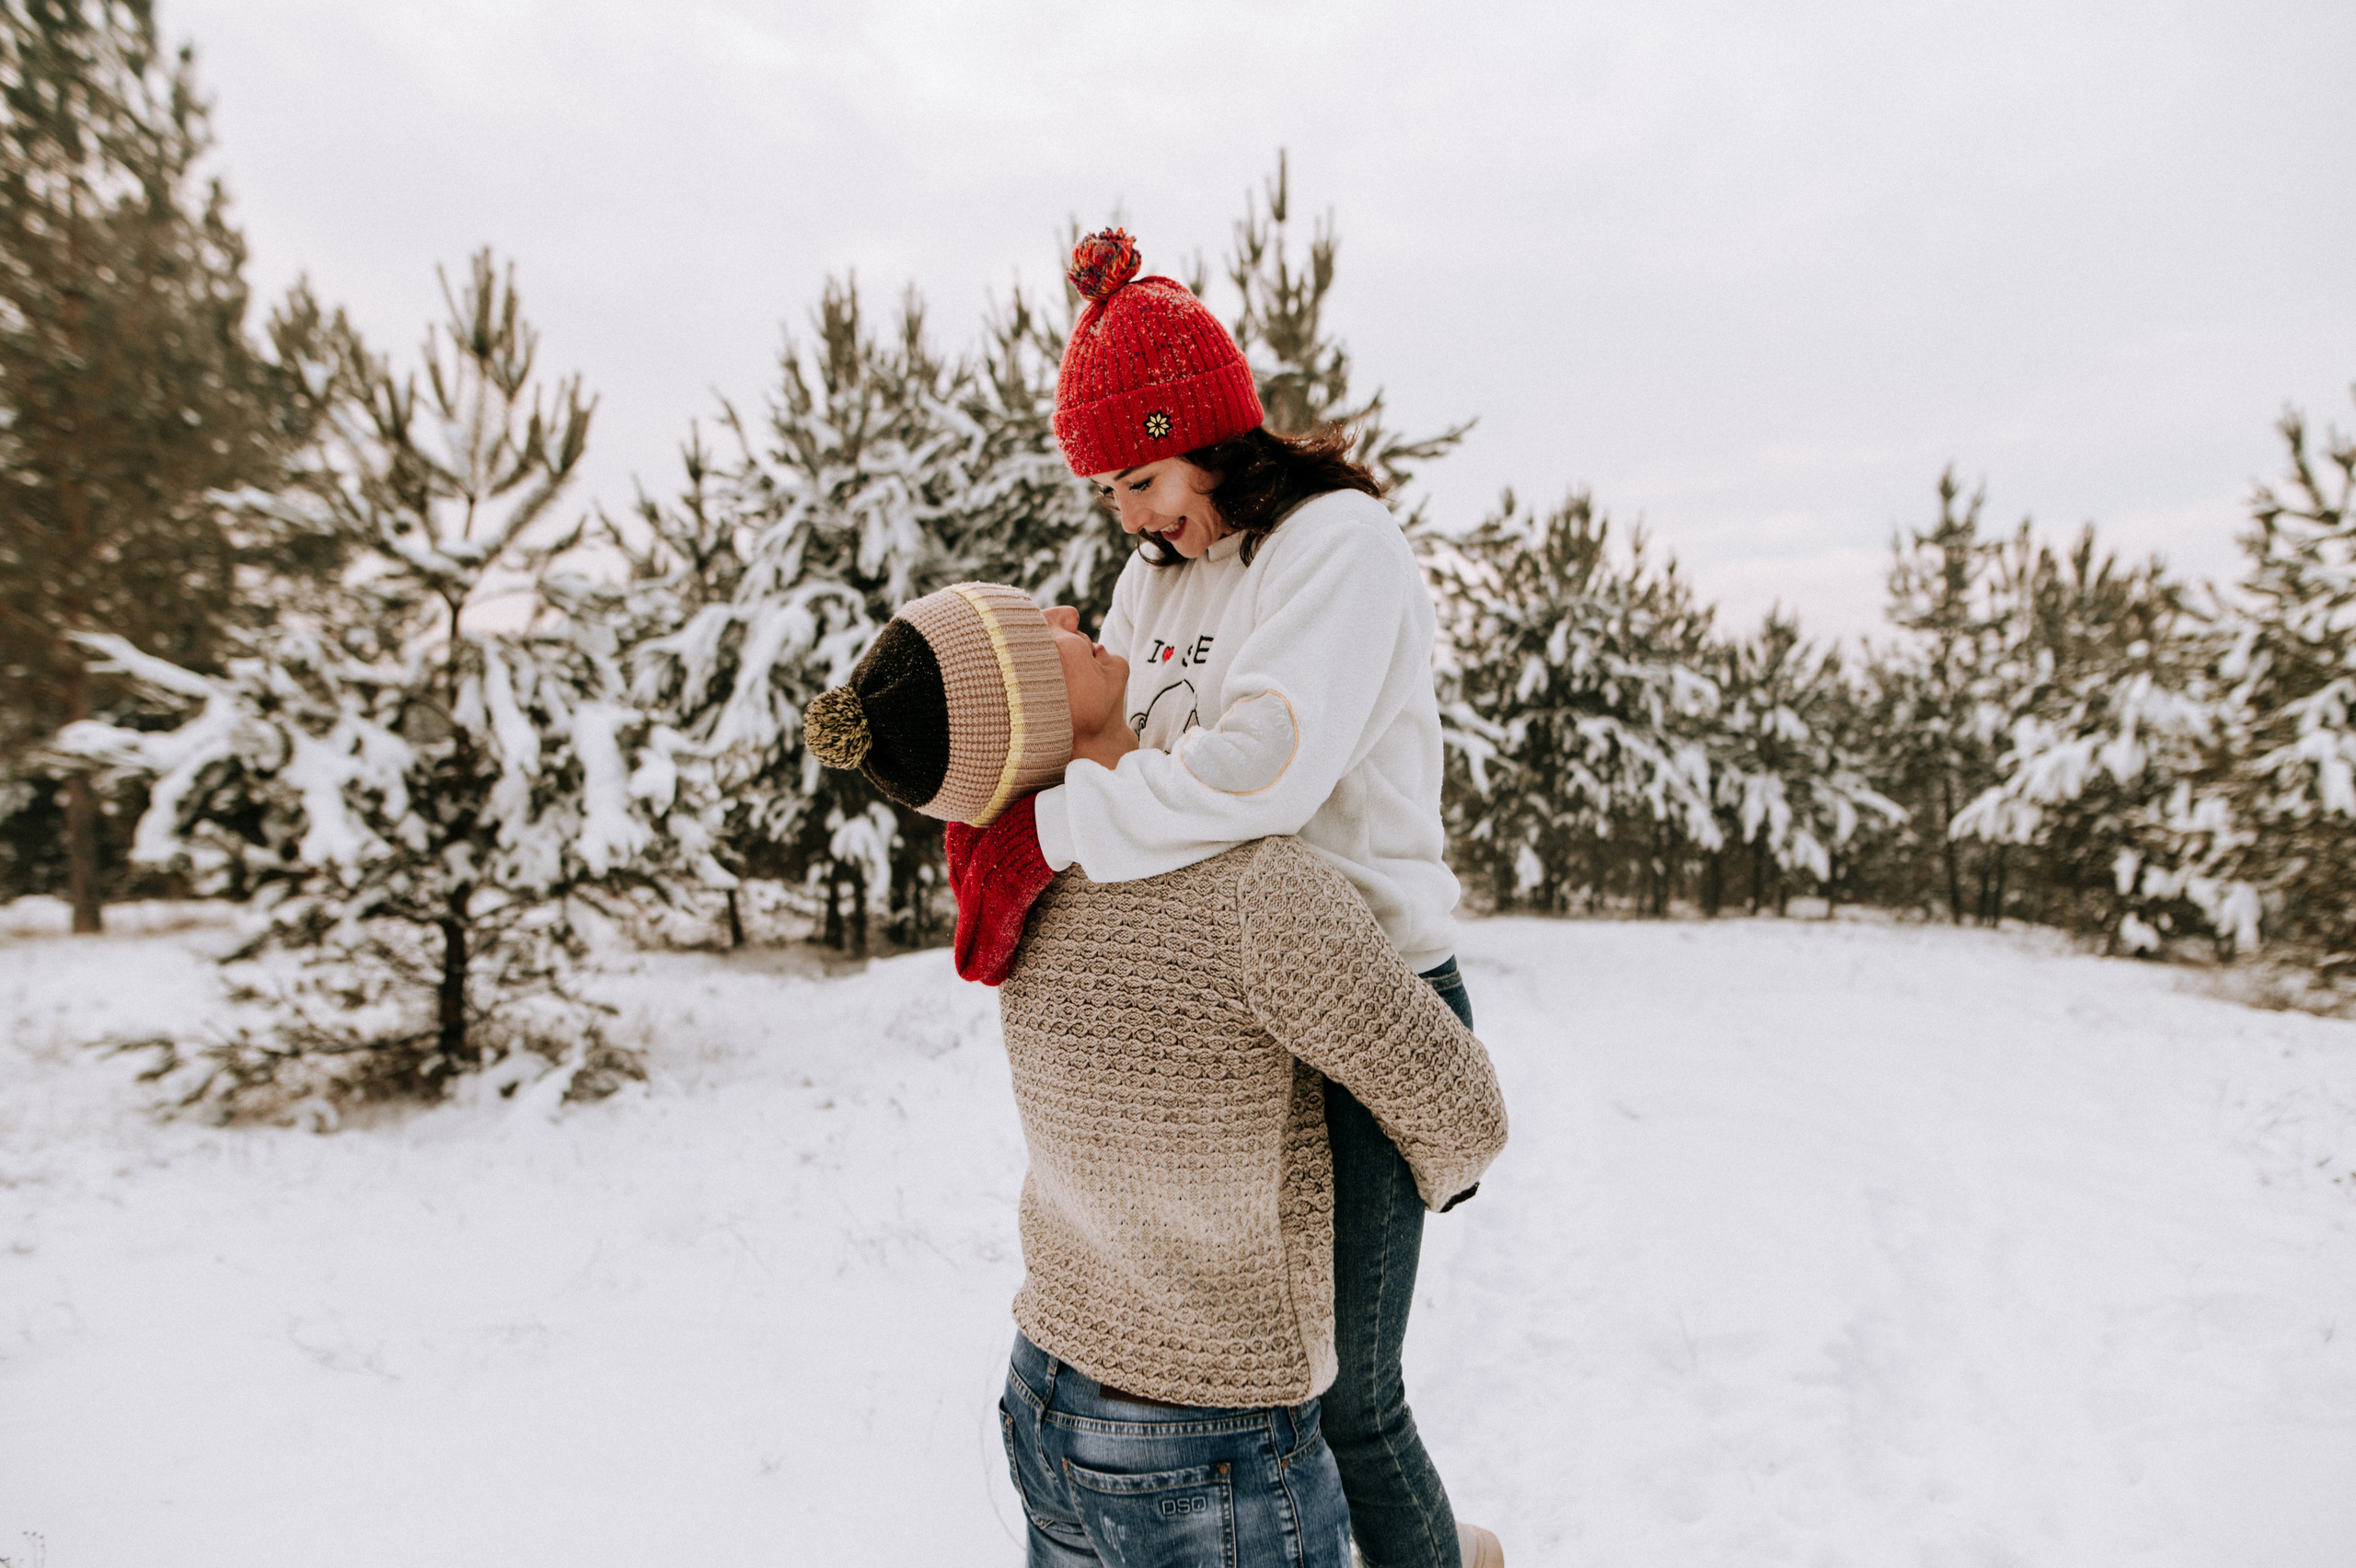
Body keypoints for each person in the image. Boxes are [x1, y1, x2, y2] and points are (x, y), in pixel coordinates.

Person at [947, 229, 1499, 1568]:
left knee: (1349, 1402)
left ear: (1207, 438)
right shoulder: (1160, 576)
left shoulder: (1339, 547)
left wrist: (1056, 830)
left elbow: (1257, 772)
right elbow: (1118, 743)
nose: (1128, 518)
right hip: (1231, 1008)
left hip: (1363, 988)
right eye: (1113, 493)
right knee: (1273, 1385)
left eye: (1141, 477)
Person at [802, 582, 1507, 1567]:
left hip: (1048, 1390)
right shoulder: (1249, 886)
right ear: (1026, 712)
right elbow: (1459, 1108)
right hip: (1209, 1434)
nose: (1061, 616)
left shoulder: (1014, 889)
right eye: (1030, 634)